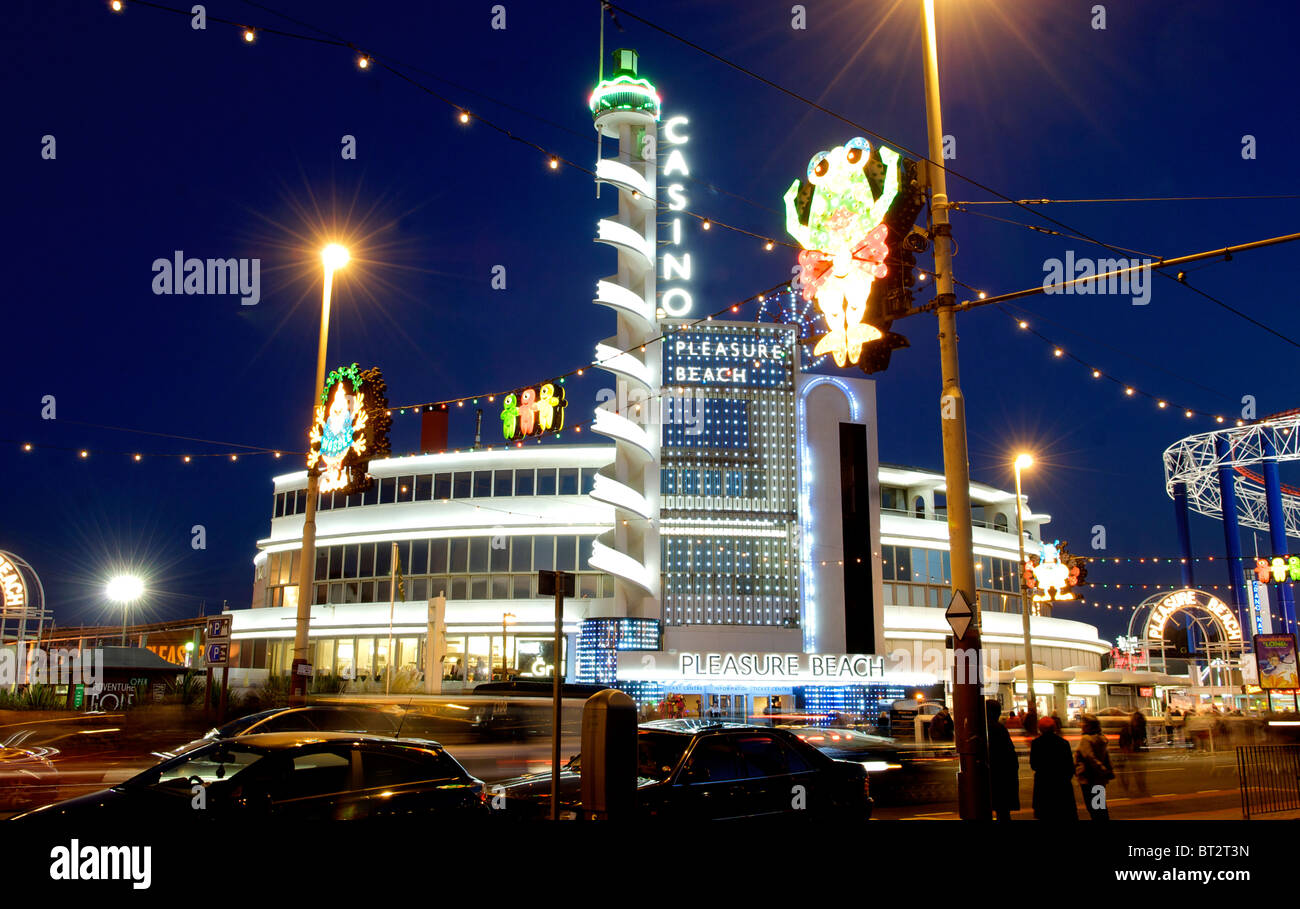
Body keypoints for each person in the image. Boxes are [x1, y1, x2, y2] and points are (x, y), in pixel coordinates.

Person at [1030, 716, 1077, 820]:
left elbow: (1034, 765)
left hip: (1043, 786)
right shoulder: (1063, 743)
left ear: (1040, 728)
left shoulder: (1036, 743)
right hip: (1062, 786)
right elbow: (1070, 765)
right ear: (1054, 728)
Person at [1075, 716, 1114, 820]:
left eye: (1083, 723)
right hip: (1100, 780)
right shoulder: (1100, 738)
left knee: (1094, 809)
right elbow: (1106, 757)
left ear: (1088, 726)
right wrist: (1107, 771)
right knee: (1100, 807)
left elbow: (1090, 758)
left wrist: (1102, 769)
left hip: (1089, 779)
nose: (1081, 725)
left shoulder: (1086, 739)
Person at [986, 700, 1020, 821]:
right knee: (1003, 811)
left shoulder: (983, 727)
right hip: (1001, 776)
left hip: (989, 775)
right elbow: (1008, 754)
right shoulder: (999, 728)